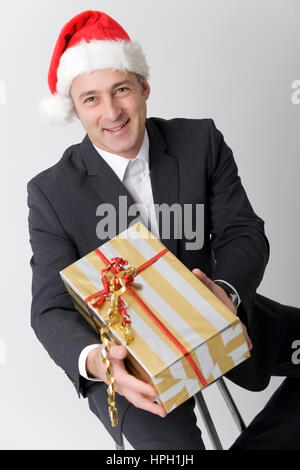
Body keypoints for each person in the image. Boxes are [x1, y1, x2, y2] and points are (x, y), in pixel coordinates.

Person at [27, 10, 300, 450]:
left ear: (144, 88)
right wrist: (101, 363)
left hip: (216, 315)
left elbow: (243, 232)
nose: (112, 112)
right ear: (74, 110)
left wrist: (226, 294)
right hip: (128, 361)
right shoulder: (50, 193)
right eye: (91, 99)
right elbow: (50, 309)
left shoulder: (201, 142)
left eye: (121, 90)